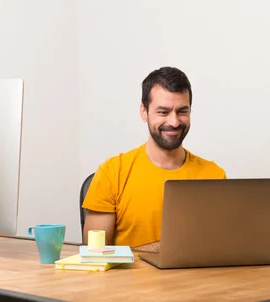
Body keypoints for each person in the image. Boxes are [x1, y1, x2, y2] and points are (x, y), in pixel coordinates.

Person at [81, 66, 226, 252]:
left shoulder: (214, 175)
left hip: (197, 281)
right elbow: (94, 254)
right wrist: (162, 249)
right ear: (144, 112)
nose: (174, 122)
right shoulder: (112, 172)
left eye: (182, 111)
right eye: (163, 112)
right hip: (128, 281)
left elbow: (219, 248)